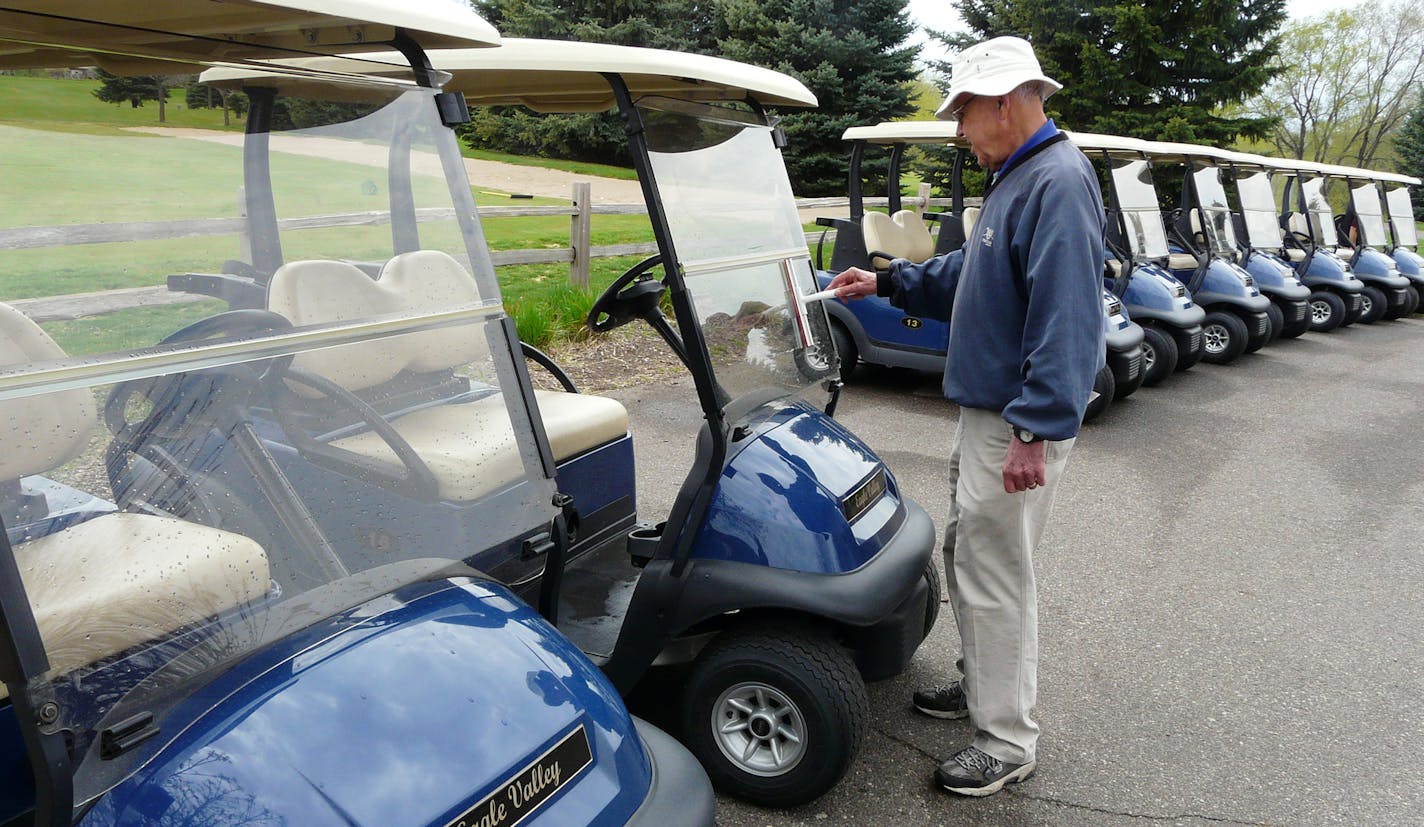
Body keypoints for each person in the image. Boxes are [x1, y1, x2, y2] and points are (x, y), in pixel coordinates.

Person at [827, 35, 1105, 796]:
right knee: (976, 559)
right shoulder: (1021, 177)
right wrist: (885, 281)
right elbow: (971, 275)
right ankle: (987, 688)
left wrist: (1035, 429)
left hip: (1014, 423)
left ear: (1008, 101)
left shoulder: (1056, 182)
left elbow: (1068, 317)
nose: (957, 131)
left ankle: (1006, 739)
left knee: (996, 574)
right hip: (993, 414)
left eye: (963, 113)